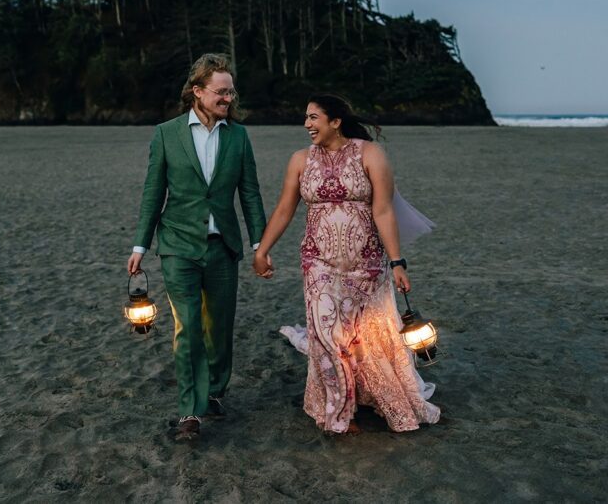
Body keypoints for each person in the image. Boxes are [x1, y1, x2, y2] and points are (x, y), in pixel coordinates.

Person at [253, 94, 441, 435]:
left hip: (366, 264)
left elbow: (383, 210)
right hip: (318, 263)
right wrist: (263, 250)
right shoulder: (299, 160)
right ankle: (342, 412)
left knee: (366, 337)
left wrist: (397, 262)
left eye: (313, 118)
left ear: (335, 121)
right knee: (327, 336)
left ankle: (373, 397)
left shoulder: (370, 154)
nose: (307, 124)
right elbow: (284, 208)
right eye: (306, 118)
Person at [128, 53, 269, 441]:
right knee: (187, 327)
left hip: (223, 246)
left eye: (231, 92)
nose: (228, 98)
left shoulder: (238, 136)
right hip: (177, 245)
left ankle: (215, 391)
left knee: (218, 328)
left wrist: (261, 244)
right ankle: (190, 410)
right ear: (198, 91)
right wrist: (141, 244)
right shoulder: (166, 133)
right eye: (221, 92)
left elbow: (250, 194)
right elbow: (153, 192)